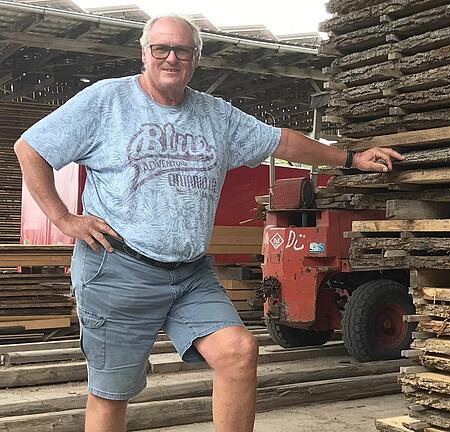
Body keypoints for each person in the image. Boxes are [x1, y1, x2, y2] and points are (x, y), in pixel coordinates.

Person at [14, 14, 402, 432]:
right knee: (112, 394)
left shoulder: (216, 115)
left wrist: (349, 159)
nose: (171, 57)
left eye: (182, 50)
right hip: (117, 269)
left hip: (189, 272)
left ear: (196, 58)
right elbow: (31, 148)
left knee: (238, 351)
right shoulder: (106, 101)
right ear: (143, 53)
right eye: (161, 48)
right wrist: (63, 218)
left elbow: (282, 140)